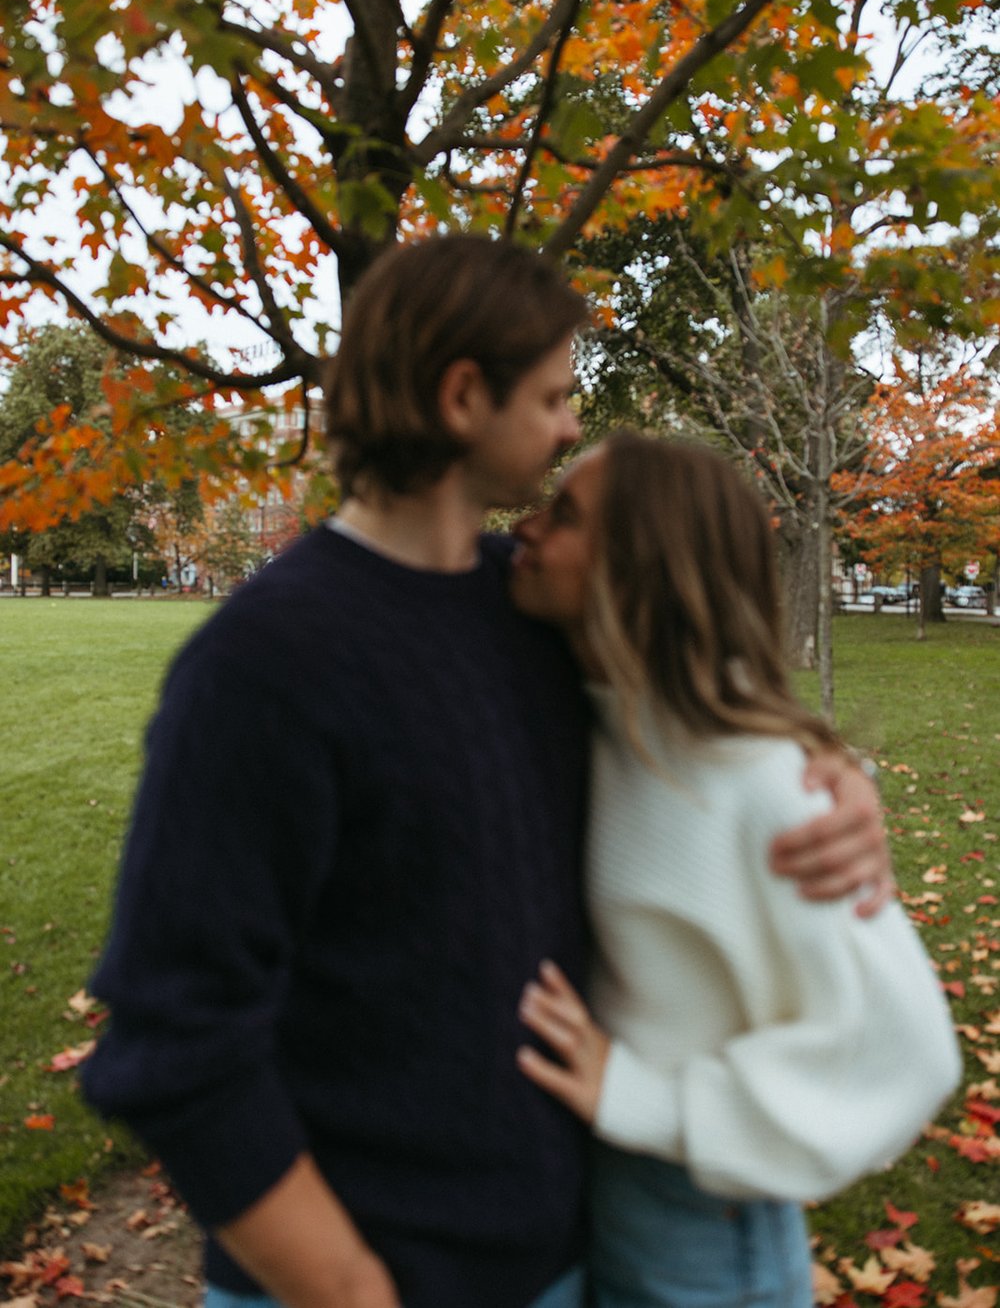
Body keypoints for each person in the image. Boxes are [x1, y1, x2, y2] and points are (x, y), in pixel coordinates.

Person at [82, 237, 891, 1308]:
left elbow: (700, 694)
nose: (569, 427)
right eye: (553, 395)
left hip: (558, 1259)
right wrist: (354, 1292)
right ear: (464, 397)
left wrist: (831, 775)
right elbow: (174, 1042)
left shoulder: (532, 600)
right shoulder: (263, 668)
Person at [510, 432, 961, 1308]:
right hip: (605, 1196)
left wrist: (646, 1099)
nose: (523, 527)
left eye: (563, 515)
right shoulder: (602, 720)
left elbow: (907, 1052)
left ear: (640, 566)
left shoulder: (766, 791)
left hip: (698, 1226)